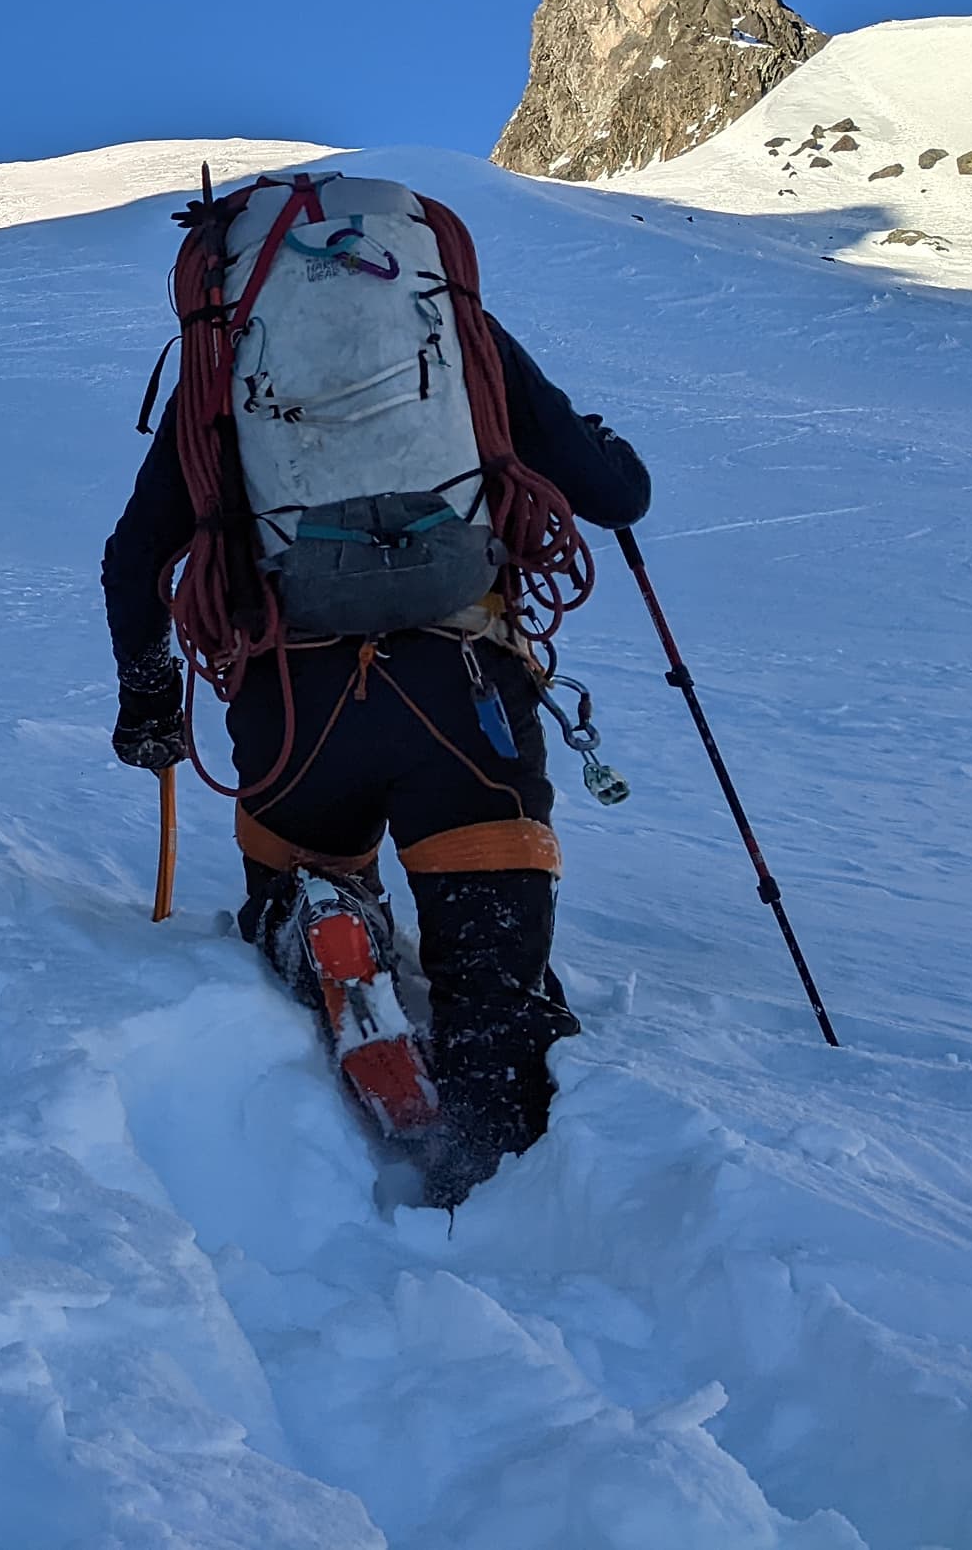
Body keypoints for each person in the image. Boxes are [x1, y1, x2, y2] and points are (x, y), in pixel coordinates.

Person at [102, 185, 651, 1203]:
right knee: (496, 977)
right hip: (463, 698)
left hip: (292, 710)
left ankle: (312, 920)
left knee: (293, 872)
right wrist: (604, 447)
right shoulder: (459, 336)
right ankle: (497, 1163)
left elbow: (135, 558)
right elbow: (613, 496)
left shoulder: (222, 368)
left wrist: (149, 703)